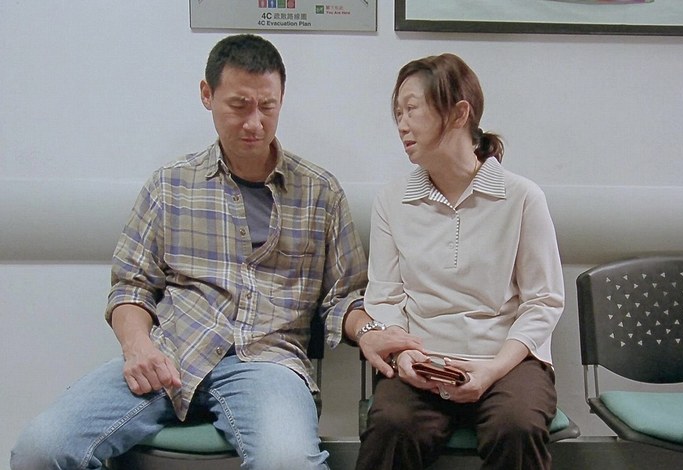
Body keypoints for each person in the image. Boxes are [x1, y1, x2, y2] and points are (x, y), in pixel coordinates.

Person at [10, 34, 418, 470]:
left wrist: (369, 330)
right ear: (207, 95)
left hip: (267, 362)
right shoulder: (170, 185)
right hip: (169, 352)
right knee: (41, 449)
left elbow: (344, 296)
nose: (254, 123)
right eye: (239, 105)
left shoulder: (319, 192)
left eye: (267, 106)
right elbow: (131, 287)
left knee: (288, 463)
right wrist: (138, 346)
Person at [354, 53, 566, 470]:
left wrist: (493, 369)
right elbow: (384, 296)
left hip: (508, 361)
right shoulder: (392, 201)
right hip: (423, 359)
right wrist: (401, 356)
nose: (401, 125)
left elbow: (543, 302)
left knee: (516, 427)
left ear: (458, 113)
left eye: (412, 109)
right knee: (392, 425)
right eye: (397, 112)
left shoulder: (521, 197)